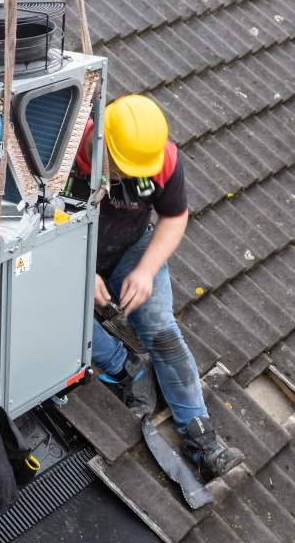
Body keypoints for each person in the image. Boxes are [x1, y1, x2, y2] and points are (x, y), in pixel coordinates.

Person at [69, 94, 247, 481]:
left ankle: (203, 442)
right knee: (57, 318)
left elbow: (174, 216)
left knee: (160, 328)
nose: (130, 179)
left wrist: (147, 270)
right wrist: (77, 271)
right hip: (64, 256)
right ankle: (128, 366)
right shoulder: (57, 161)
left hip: (132, 250)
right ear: (98, 140)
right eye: (120, 169)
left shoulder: (158, 159)